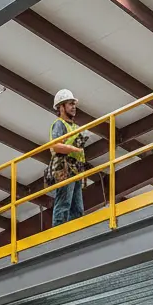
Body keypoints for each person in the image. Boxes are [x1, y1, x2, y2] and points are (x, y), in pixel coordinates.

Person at [47, 89, 87, 227]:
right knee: (64, 203)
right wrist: (74, 149)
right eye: (70, 104)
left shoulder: (75, 127)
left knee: (78, 208)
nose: (74, 107)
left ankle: (75, 232)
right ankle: (59, 233)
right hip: (64, 168)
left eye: (74, 104)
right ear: (61, 107)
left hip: (75, 169)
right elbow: (56, 146)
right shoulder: (59, 124)